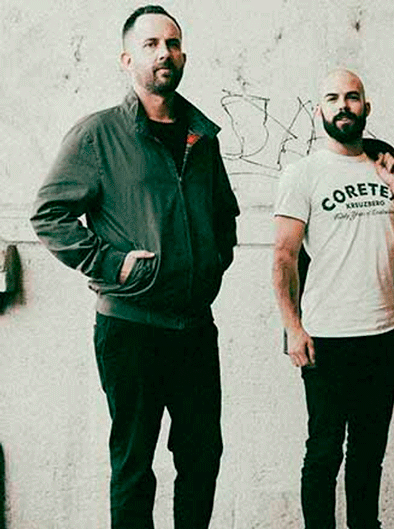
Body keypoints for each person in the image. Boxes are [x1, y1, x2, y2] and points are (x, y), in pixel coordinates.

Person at [31, 5, 239, 528]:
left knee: (202, 458)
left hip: (195, 330)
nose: (164, 53)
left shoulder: (202, 136)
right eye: (150, 45)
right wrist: (112, 264)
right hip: (130, 329)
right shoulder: (99, 135)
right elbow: (49, 215)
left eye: (172, 43)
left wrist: (212, 263)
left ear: (183, 56)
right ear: (127, 60)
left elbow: (224, 216)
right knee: (133, 465)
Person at [272, 68, 394, 529]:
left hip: (382, 335)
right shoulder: (303, 173)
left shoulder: (385, 167)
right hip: (326, 338)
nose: (343, 106)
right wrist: (293, 328)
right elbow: (283, 256)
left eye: (352, 97)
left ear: (366, 107)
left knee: (368, 454)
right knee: (323, 454)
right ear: (319, 109)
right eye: (333, 98)